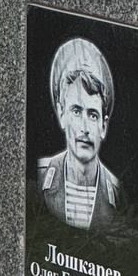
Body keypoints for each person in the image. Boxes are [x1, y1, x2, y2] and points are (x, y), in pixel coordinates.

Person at [38, 38, 124, 228]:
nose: (84, 128)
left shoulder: (116, 191)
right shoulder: (40, 177)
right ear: (62, 114)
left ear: (103, 126)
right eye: (76, 111)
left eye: (93, 115)